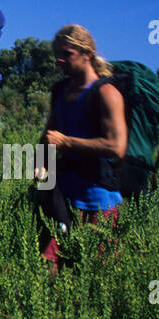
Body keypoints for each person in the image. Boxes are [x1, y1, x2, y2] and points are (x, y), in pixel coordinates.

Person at [37, 24, 127, 274]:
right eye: (57, 53)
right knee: (50, 262)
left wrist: (66, 142)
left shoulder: (107, 93)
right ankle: (47, 311)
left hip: (99, 197)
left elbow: (116, 146)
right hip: (63, 194)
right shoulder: (60, 91)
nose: (59, 60)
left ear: (86, 54)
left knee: (97, 271)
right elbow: (49, 134)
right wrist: (41, 164)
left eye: (66, 53)